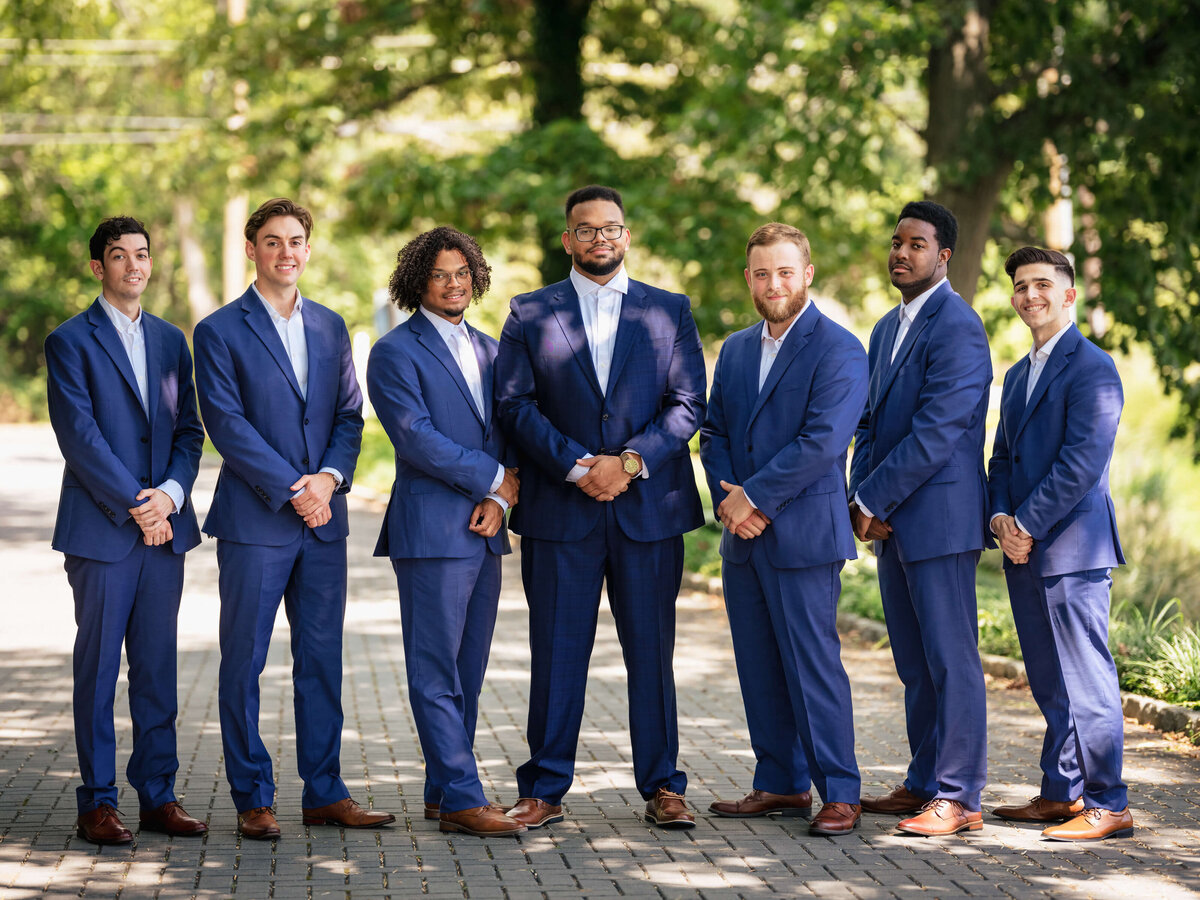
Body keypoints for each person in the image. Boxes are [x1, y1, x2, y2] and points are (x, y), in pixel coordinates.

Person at [495, 184, 707, 829]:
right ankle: (544, 788)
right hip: (563, 509)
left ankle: (664, 787)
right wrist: (579, 465)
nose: (599, 239)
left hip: (649, 510)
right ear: (568, 240)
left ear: (627, 235)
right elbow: (513, 404)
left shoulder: (669, 310)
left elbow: (688, 404)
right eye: (585, 230)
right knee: (557, 652)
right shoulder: (530, 311)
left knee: (653, 651)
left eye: (610, 228)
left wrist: (630, 462)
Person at [194, 197, 393, 839]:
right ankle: (253, 795)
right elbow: (226, 424)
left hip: (323, 522)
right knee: (244, 661)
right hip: (257, 520)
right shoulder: (220, 330)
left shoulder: (331, 327)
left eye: (297, 240)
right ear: (252, 249)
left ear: (309, 249)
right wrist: (292, 487)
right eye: (273, 241)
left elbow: (347, 415)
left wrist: (329, 481)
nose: (286, 251)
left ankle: (324, 791)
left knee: (320, 661)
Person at [699, 223, 868, 836]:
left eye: (786, 272)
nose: (774, 284)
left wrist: (756, 499)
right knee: (759, 664)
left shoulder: (840, 348)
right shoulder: (738, 349)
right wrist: (730, 502)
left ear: (808, 274)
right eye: (763, 273)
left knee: (812, 665)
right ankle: (780, 781)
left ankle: (840, 791)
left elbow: (822, 442)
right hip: (741, 536)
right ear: (749, 278)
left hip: (801, 535)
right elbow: (713, 432)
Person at [45, 216, 207, 844]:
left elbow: (190, 432)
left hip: (164, 530)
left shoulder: (171, 341)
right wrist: (137, 504)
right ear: (98, 267)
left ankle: (158, 797)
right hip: (104, 530)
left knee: (156, 667)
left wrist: (167, 497)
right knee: (98, 666)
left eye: (142, 254)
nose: (133, 265)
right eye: (119, 256)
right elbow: (79, 438)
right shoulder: (70, 341)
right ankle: (97, 803)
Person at [366, 227, 524, 838]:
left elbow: (508, 429)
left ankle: (440, 791)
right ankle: (463, 796)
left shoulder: (492, 350)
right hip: (432, 530)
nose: (453, 283)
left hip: (486, 528)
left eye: (462, 273)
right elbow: (416, 437)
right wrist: (492, 480)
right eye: (440, 274)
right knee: (435, 670)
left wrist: (500, 499)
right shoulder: (394, 352)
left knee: (469, 672)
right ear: (417, 283)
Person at [848, 201, 992, 836]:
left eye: (917, 243)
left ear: (944, 256)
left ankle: (959, 797)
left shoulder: (958, 327)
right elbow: (870, 424)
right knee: (912, 660)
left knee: (950, 659)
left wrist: (871, 498)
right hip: (890, 522)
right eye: (897, 241)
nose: (901, 252)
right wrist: (859, 495)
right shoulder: (885, 328)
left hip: (940, 519)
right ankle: (924, 780)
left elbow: (938, 432)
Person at [987, 247, 1132, 841]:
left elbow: (1080, 464)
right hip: (1024, 549)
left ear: (1068, 294)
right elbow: (1001, 457)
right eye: (1021, 286)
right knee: (1048, 680)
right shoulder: (1019, 374)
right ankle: (1061, 793)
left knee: (1087, 680)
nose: (1030, 295)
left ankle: (1110, 801)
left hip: (1072, 549)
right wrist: (999, 517)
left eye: (1042, 284)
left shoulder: (1093, 366)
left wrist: (1024, 524)